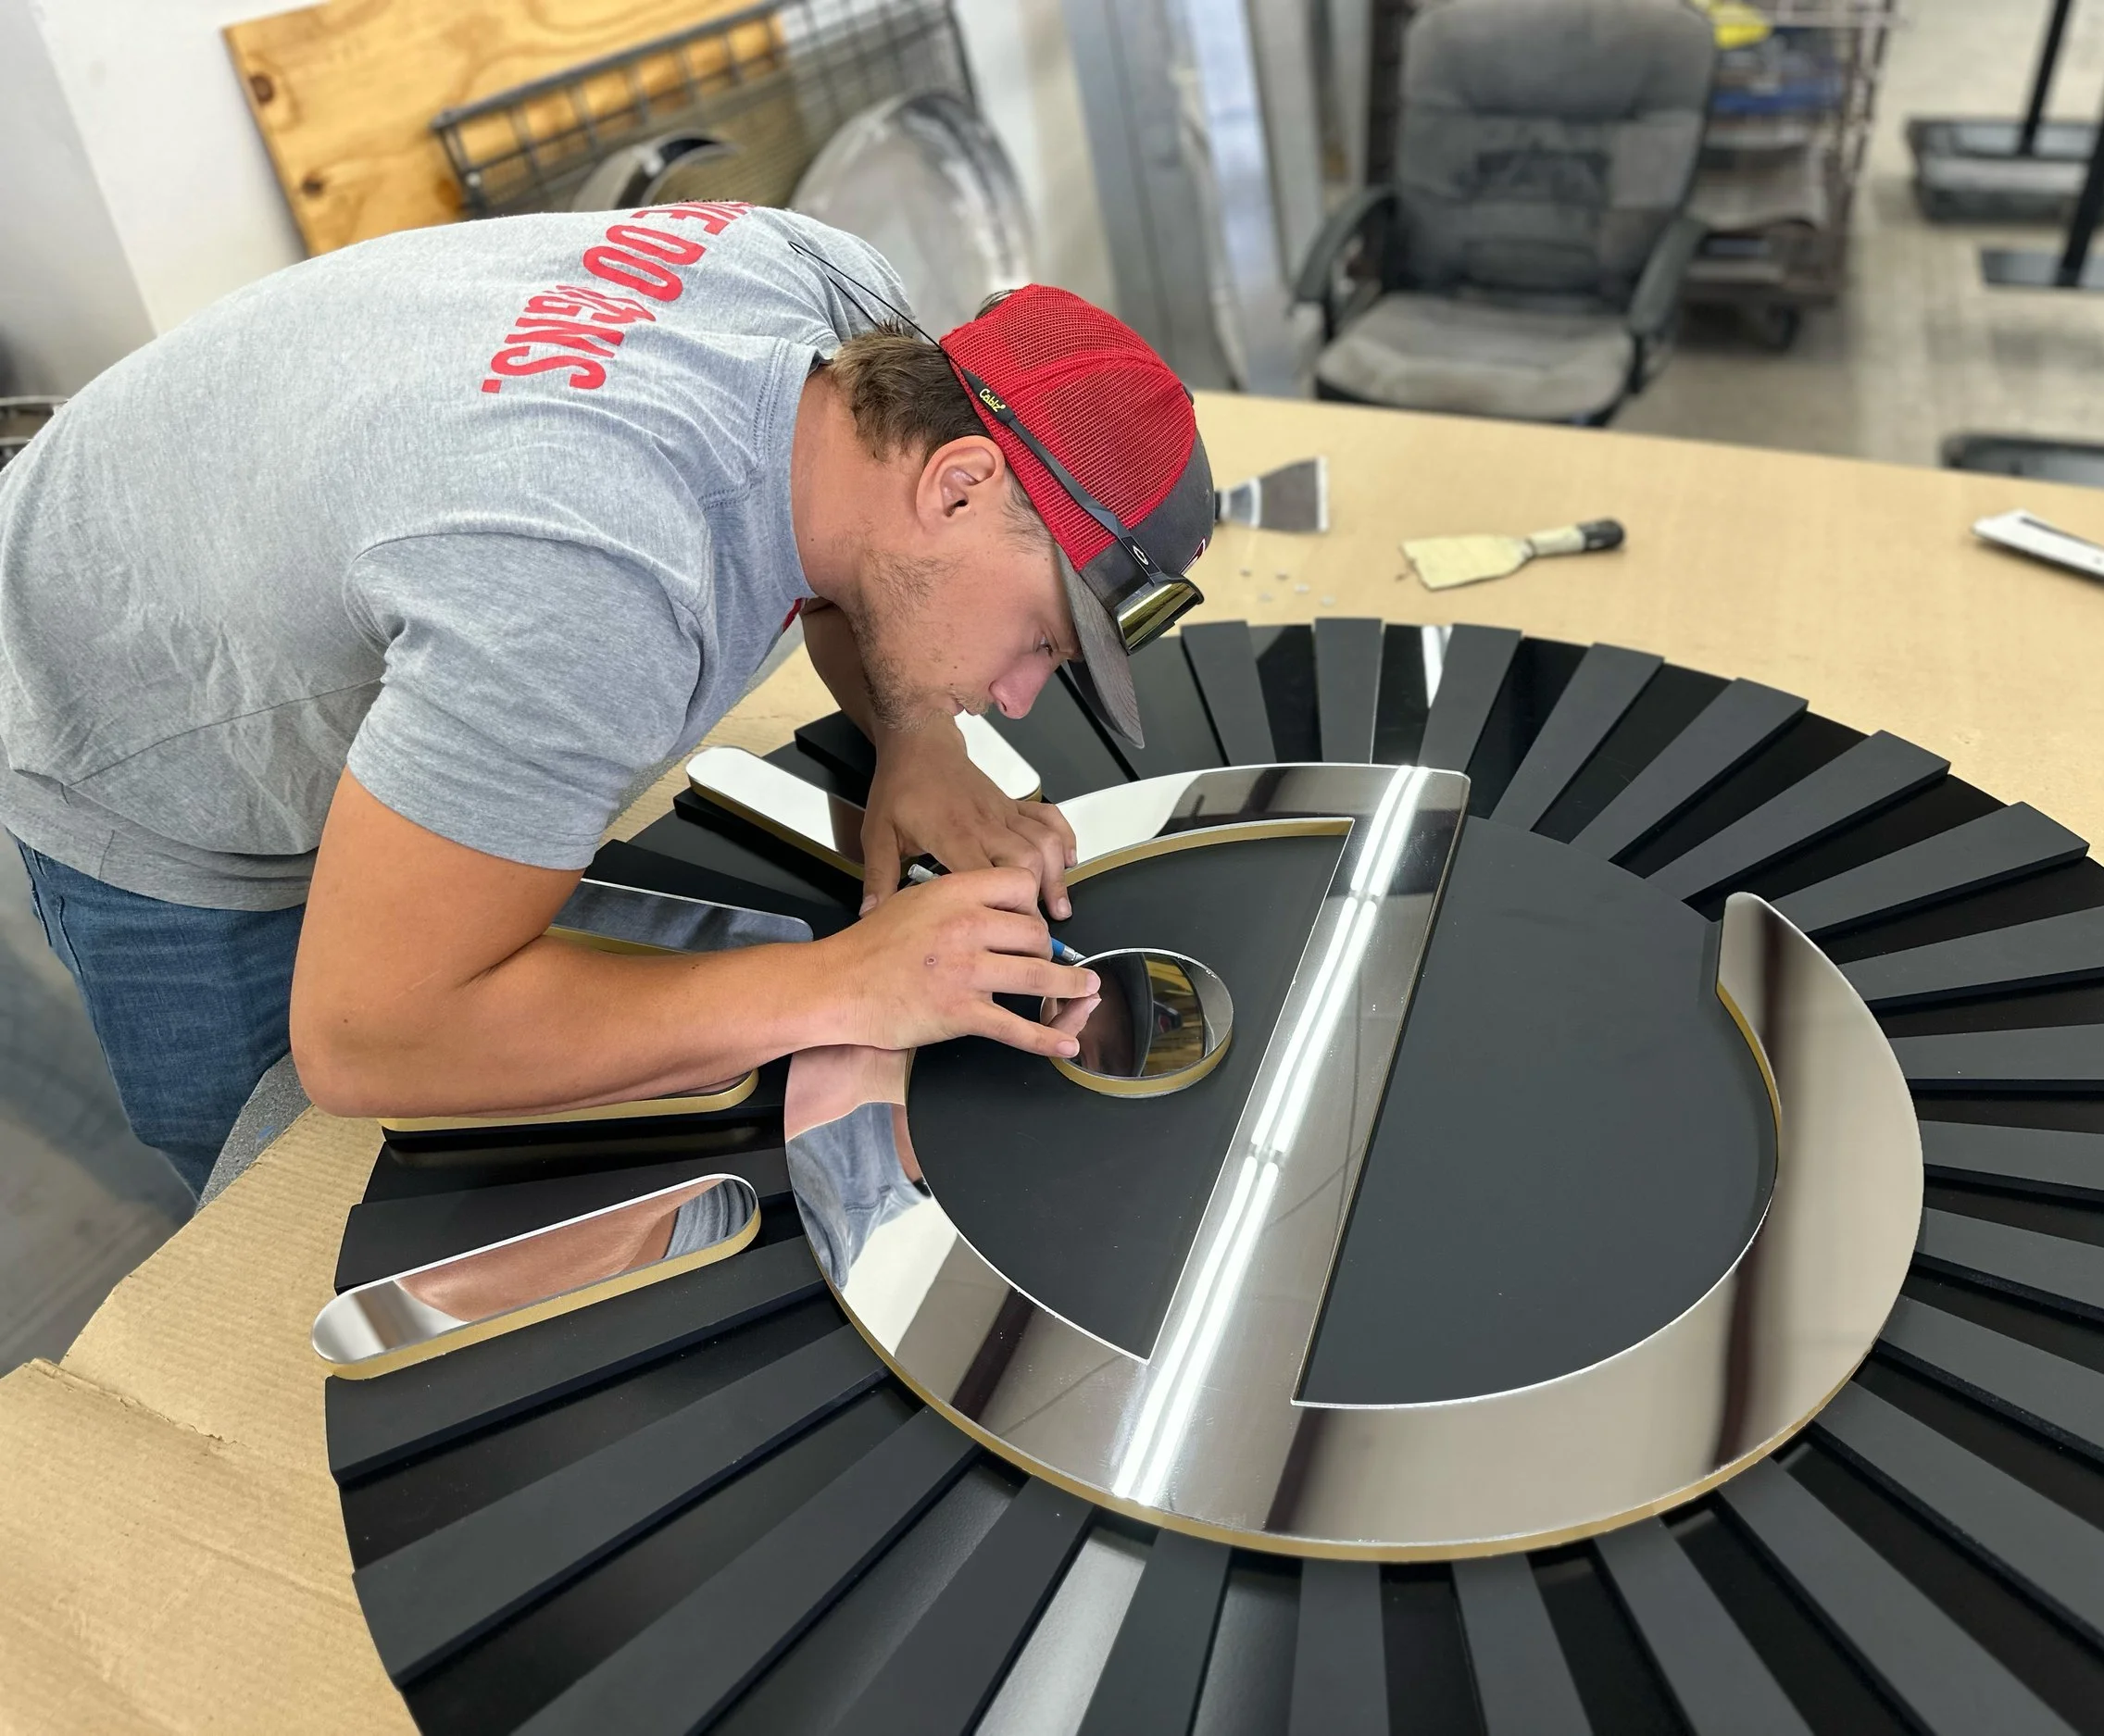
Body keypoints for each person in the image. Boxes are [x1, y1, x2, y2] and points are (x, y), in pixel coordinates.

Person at [0, 201, 1215, 1194]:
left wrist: (915, 737)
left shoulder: (838, 304)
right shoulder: (594, 585)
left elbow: (854, 562)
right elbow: (366, 1035)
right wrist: (851, 980)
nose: (1010, 701)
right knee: (284, 1213)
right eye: (1038, 639)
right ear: (957, 485)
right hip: (129, 692)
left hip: (267, 506)